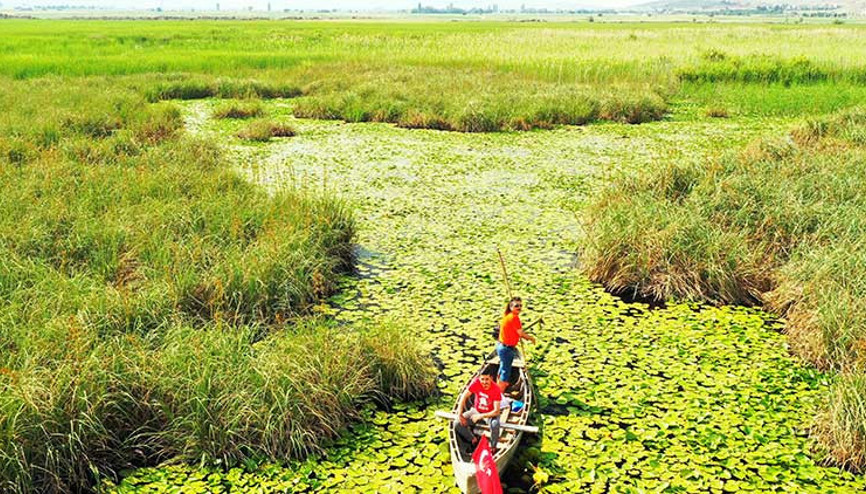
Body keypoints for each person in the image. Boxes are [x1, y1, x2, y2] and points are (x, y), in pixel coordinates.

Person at [454, 367, 503, 454]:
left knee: (495, 424)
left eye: (487, 379)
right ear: (479, 378)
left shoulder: (496, 389)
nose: (484, 382)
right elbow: (464, 396)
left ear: (491, 378)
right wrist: (459, 414)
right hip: (476, 411)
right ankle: (473, 439)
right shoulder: (476, 383)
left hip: (489, 414)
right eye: (482, 379)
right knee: (457, 423)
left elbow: (496, 411)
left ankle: (493, 446)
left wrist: (480, 416)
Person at [496, 296, 536, 393]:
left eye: (520, 306)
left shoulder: (507, 315)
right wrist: (531, 338)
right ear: (511, 307)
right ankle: (499, 394)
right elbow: (521, 334)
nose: (519, 308)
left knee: (502, 366)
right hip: (507, 349)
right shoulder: (514, 318)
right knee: (506, 371)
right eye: (516, 306)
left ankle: (498, 385)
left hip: (501, 346)